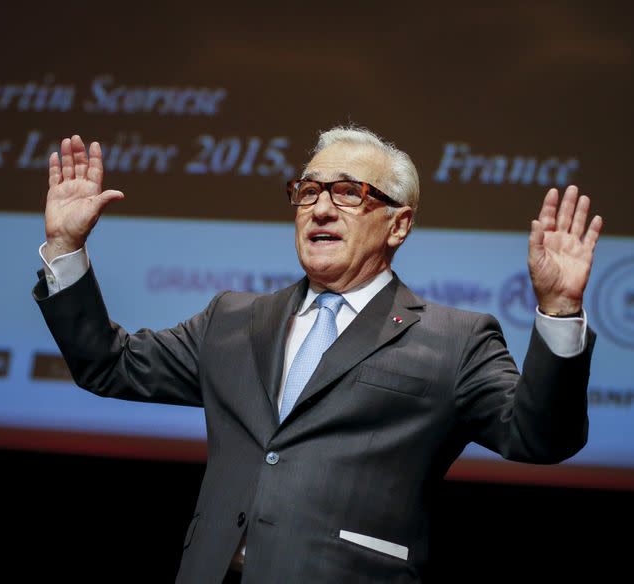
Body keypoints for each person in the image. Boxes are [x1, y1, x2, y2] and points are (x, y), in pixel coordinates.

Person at [33, 127, 602, 584]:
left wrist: (559, 310)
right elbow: (107, 364)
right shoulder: (233, 319)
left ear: (398, 224)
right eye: (308, 191)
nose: (321, 209)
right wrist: (65, 247)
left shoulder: (455, 339)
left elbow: (540, 438)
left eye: (349, 193)